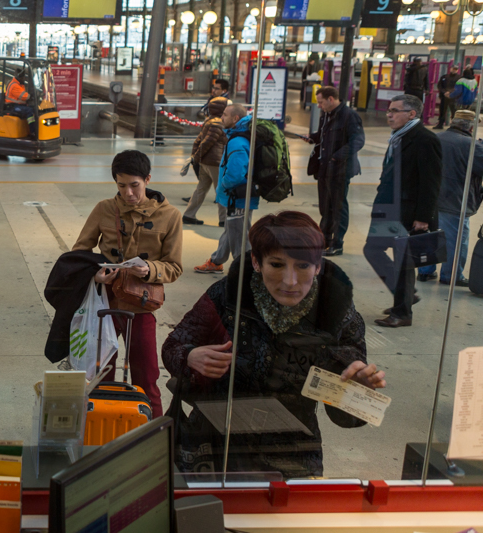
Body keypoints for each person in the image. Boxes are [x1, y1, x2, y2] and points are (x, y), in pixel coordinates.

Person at [162, 211, 385, 478]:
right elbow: (173, 345)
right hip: (216, 446)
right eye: (277, 265)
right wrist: (189, 356)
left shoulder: (336, 314)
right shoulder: (228, 296)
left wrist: (358, 392)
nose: (290, 281)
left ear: (317, 266)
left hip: (293, 454)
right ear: (257, 262)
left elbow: (345, 416)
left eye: (302, 266)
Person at [72, 150, 183, 418]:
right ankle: (101, 433)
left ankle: (152, 436)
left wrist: (149, 269)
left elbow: (175, 266)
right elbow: (79, 252)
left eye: (134, 185)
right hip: (105, 303)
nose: (128, 193)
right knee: (99, 374)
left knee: (147, 376)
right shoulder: (104, 209)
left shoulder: (170, 216)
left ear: (147, 179)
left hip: (142, 305)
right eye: (121, 186)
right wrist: (95, 274)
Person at [364, 94, 442, 328]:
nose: (389, 114)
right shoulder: (398, 137)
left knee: (404, 261)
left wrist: (423, 217)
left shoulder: (424, 139)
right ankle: (406, 296)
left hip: (408, 212)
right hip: (389, 207)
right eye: (389, 110)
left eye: (395, 110)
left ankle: (402, 312)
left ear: (412, 114)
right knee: (372, 249)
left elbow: (431, 182)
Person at [417, 109, 483, 286]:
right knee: (455, 240)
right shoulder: (471, 145)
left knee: (428, 234)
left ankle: (424, 271)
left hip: (429, 198)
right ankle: (452, 276)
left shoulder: (435, 138)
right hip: (455, 201)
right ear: (471, 127)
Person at [196, 104, 257, 273]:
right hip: (237, 195)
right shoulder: (238, 136)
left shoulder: (238, 141)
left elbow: (236, 174)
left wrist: (223, 185)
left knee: (240, 237)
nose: (221, 118)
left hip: (237, 195)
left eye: (225, 115)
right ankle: (216, 261)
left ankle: (243, 271)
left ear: (235, 118)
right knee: (231, 229)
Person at [307, 86, 365, 256]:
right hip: (324, 169)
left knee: (338, 207)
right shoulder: (326, 115)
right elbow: (324, 136)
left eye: (320, 102)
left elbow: (358, 141)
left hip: (340, 170)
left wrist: (336, 157)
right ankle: (324, 239)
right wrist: (312, 137)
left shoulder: (349, 116)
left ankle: (337, 243)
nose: (319, 106)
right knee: (325, 206)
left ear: (331, 99)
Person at [182, 97, 228, 227]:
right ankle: (224, 220)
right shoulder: (218, 123)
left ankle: (188, 215)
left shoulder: (209, 120)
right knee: (221, 190)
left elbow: (198, 140)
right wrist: (196, 157)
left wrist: (196, 157)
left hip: (206, 161)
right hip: (215, 162)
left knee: (201, 189)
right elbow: (207, 142)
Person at [435, 63, 461, 129]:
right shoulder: (444, 77)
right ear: (450, 68)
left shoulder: (459, 78)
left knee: (454, 111)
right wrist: (445, 92)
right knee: (442, 111)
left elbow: (458, 87)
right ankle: (440, 124)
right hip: (445, 97)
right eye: (453, 69)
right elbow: (440, 86)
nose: (454, 70)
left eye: (456, 69)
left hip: (453, 97)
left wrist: (449, 92)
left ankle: (455, 125)